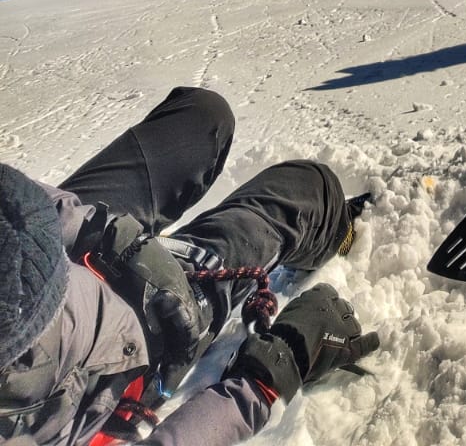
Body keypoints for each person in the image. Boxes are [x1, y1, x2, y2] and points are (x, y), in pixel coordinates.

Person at [0, 86, 377, 445]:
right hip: (143, 341)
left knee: (203, 115)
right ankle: (339, 229)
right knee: (312, 190)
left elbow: (16, 200)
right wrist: (256, 389)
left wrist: (100, 234)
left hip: (64, 249)